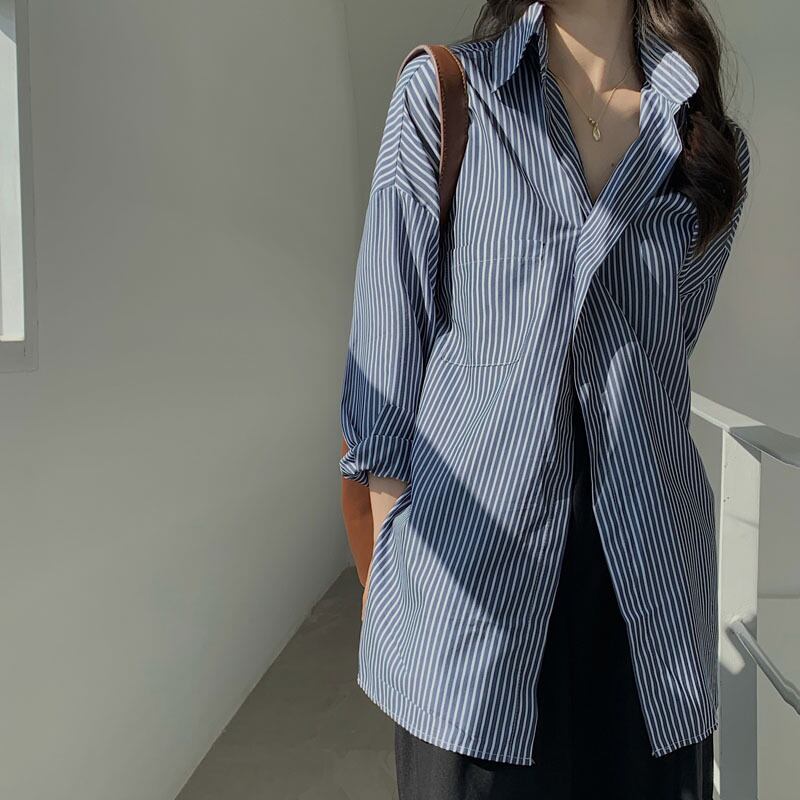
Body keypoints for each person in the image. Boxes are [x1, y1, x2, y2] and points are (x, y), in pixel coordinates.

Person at [338, 1, 750, 797]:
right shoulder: (450, 97)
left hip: (650, 593)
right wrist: (398, 585)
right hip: (473, 600)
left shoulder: (705, 144)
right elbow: (385, 364)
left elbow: (669, 345)